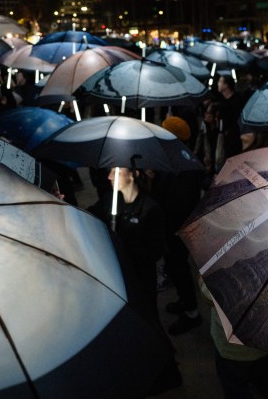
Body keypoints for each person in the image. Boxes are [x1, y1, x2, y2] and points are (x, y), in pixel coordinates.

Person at [87, 165, 166, 322]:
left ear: (133, 174)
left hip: (140, 278)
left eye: (116, 172)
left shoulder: (149, 209)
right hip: (117, 275)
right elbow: (88, 216)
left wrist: (121, 247)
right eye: (110, 171)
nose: (109, 176)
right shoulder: (110, 200)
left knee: (147, 317)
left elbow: (156, 250)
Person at [152, 115, 204, 335]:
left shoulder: (186, 166)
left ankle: (192, 312)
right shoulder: (175, 158)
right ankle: (185, 301)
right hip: (173, 226)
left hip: (177, 228)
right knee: (176, 268)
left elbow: (178, 203)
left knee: (179, 268)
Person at [200, 278, 268, 399]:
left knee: (234, 383)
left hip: (232, 350)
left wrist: (200, 278)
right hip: (265, 343)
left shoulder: (228, 280)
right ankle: (266, 390)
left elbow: (207, 295)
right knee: (265, 372)